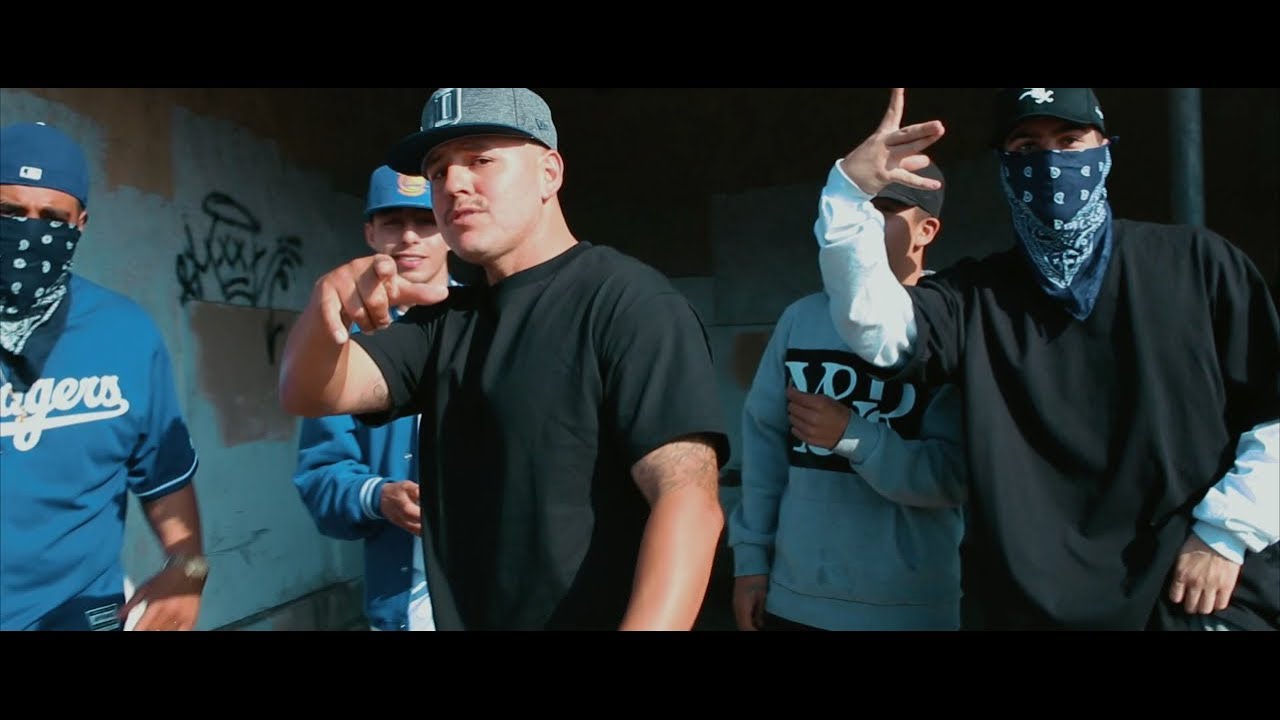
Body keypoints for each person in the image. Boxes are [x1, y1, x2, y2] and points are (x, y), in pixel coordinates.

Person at [814, 87, 1278, 630]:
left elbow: (1272, 413)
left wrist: (1226, 535)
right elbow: (876, 328)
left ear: (1105, 149)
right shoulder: (975, 296)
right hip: (1030, 610)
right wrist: (848, 195)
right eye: (1027, 147)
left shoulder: (1198, 264)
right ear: (1004, 166)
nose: (1051, 162)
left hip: (1192, 598)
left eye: (1069, 140)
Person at [279, 88, 730, 631]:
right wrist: (325, 307)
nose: (453, 184)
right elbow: (309, 391)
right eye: (438, 171)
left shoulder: (628, 303)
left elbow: (688, 501)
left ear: (549, 173)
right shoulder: (445, 322)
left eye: (480, 159)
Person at [729, 164, 968, 631]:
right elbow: (764, 450)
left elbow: (951, 478)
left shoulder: (955, 325)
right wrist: (751, 562)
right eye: (862, 206)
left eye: (887, 208)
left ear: (926, 230)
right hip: (795, 599)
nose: (868, 220)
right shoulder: (801, 319)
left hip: (910, 610)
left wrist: (853, 435)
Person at [0, 122, 207, 631]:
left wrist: (189, 569)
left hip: (79, 615)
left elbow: (165, 475)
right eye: (9, 212)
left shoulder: (126, 335)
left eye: (52, 218)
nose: (30, 232)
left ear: (81, 223)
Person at [293, 166, 455, 631]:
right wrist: (379, 496)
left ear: (449, 224)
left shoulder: (493, 324)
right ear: (370, 233)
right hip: (403, 611)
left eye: (424, 221)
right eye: (392, 222)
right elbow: (319, 477)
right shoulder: (345, 345)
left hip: (494, 600)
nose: (409, 237)